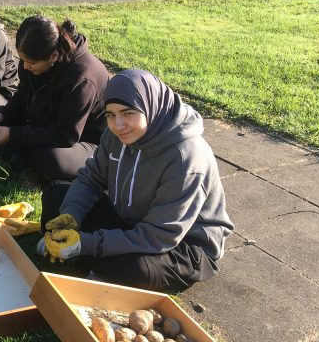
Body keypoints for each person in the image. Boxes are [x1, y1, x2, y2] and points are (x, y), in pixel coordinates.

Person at [39, 69, 234, 292]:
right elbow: (91, 178)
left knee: (139, 270)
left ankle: (83, 257)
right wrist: (70, 216)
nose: (118, 125)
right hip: (132, 222)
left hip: (180, 245)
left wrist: (85, 244)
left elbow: (159, 237)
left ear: (151, 107)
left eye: (128, 113)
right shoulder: (116, 134)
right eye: (110, 114)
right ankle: (88, 260)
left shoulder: (185, 157)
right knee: (57, 194)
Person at [0, 16, 109, 182]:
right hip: (48, 126)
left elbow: (67, 135)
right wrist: (3, 115)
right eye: (23, 60)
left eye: (32, 63)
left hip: (87, 142)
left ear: (54, 56)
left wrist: (14, 135)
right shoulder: (32, 63)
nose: (26, 66)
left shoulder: (82, 79)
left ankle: (27, 163)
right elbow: (23, 97)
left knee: (50, 159)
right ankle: (26, 162)